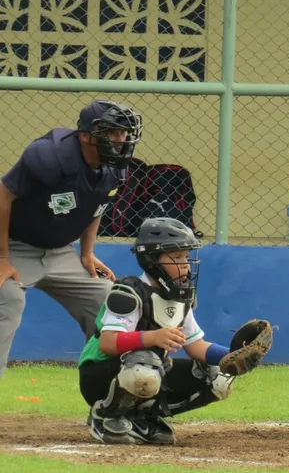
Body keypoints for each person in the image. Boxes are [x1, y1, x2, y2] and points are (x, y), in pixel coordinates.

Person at [0, 100, 142, 378]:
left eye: (123, 133)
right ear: (86, 136)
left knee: (108, 302)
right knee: (8, 299)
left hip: (60, 252)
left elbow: (95, 205)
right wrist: (2, 258)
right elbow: (2, 196)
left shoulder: (113, 168)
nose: (120, 140)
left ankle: (110, 394)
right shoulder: (49, 156)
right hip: (15, 246)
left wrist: (87, 252)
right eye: (112, 132)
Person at [78, 218, 237, 444]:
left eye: (186, 257)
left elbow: (196, 346)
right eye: (177, 257)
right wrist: (153, 337)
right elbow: (108, 343)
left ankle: (143, 418)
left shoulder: (179, 296)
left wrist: (234, 356)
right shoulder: (128, 292)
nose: (186, 265)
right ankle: (106, 415)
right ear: (152, 260)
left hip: (148, 370)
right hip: (99, 376)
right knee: (146, 362)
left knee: (216, 377)